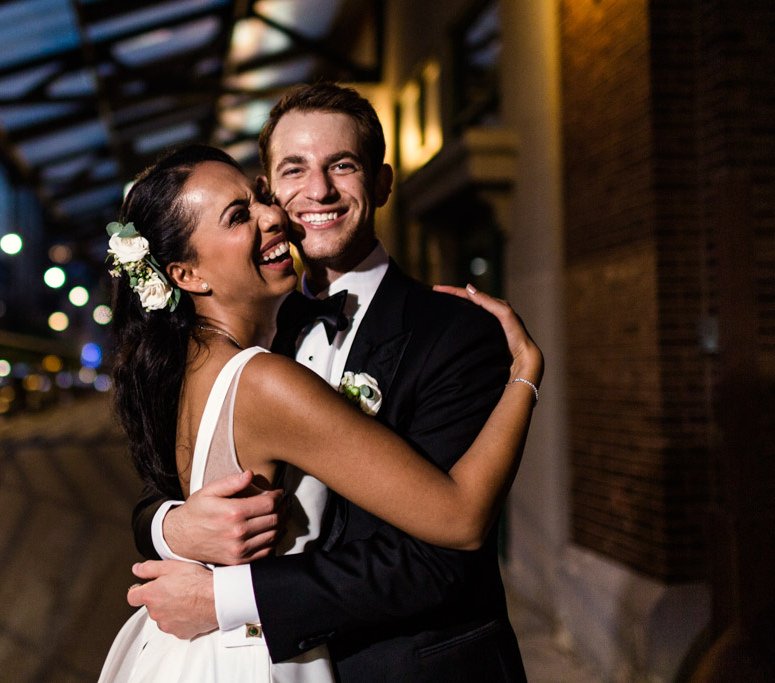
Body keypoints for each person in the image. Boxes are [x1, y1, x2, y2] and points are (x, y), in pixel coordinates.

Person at [125, 83, 532, 682]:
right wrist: (171, 524)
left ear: (383, 184)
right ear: (270, 188)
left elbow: (444, 557)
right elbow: (168, 485)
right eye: (293, 171)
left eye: (342, 166)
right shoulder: (251, 330)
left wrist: (228, 597)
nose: (317, 191)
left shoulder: (453, 331)